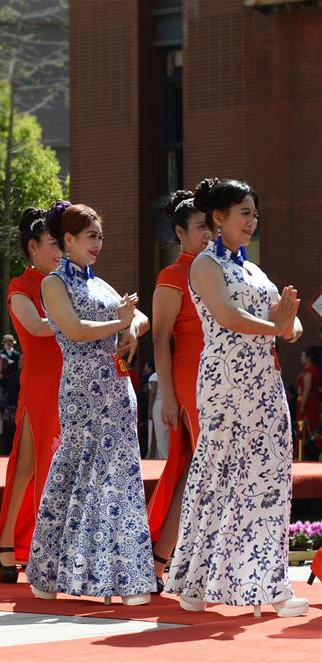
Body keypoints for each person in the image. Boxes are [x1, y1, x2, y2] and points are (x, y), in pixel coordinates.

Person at [166, 178, 307, 618]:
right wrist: (277, 326)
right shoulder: (204, 265)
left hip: (265, 381)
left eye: (254, 213)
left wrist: (286, 325)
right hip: (226, 383)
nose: (252, 220)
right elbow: (228, 316)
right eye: (244, 212)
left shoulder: (253, 268)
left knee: (270, 478)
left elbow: (287, 324)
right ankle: (193, 579)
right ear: (218, 218)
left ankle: (272, 585)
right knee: (216, 476)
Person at [27, 201, 154, 606]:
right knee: (76, 473)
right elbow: (76, 331)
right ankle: (48, 572)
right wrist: (121, 322)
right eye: (91, 236)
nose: (98, 243)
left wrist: (131, 327)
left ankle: (126, 579)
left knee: (121, 479)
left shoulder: (100, 284)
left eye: (100, 236)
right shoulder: (53, 283)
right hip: (82, 391)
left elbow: (140, 317)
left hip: (117, 390)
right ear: (68, 240)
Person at [0, 207, 63, 583]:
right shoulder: (21, 286)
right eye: (54, 244)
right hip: (41, 381)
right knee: (31, 467)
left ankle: (18, 545)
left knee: (45, 465)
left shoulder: (72, 281)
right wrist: (76, 320)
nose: (60, 251)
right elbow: (34, 327)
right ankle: (17, 545)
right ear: (33, 247)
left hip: (75, 380)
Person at [145, 189, 212, 590]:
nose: (208, 234)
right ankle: (185, 564)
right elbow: (159, 340)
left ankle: (158, 561)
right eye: (201, 227)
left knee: (191, 470)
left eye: (211, 226)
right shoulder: (173, 275)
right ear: (180, 233)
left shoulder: (219, 268)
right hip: (191, 377)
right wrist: (168, 395)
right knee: (202, 467)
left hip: (223, 376)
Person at [296, 346, 320, 454]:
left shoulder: (310, 371)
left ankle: (307, 452)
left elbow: (307, 388)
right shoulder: (308, 370)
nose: (301, 358)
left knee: (308, 426)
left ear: (308, 358)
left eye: (302, 355)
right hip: (305, 402)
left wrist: (302, 406)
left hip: (308, 403)